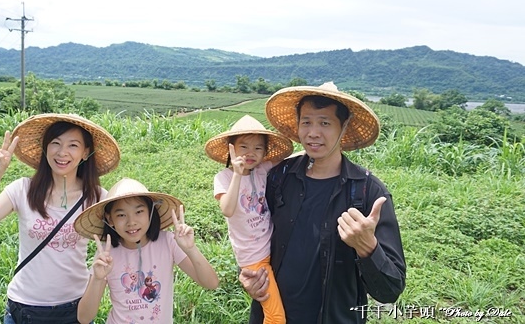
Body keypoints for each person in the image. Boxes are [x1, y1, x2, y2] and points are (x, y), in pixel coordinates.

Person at [239, 82, 406, 324]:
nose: (313, 132)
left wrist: (367, 247)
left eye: (325, 123)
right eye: (306, 122)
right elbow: (252, 232)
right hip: (272, 315)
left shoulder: (368, 192)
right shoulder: (278, 177)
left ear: (344, 127)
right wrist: (247, 275)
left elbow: (390, 290)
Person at [0, 113, 121, 324]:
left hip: (74, 307)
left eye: (73, 145)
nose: (62, 152)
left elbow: (119, 244)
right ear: (45, 147)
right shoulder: (22, 190)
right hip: (23, 307)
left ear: (85, 152)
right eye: (55, 143)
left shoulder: (97, 198)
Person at [74, 177, 219, 324]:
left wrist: (191, 249)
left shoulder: (168, 242)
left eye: (139, 211)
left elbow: (211, 283)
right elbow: (84, 318)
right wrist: (98, 279)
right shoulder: (106, 255)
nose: (132, 222)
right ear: (109, 219)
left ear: (150, 212)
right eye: (121, 215)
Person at [205, 115, 293, 324]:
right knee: (276, 317)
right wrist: (237, 174)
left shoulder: (263, 169)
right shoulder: (224, 178)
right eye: (243, 147)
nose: (250, 153)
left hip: (273, 249)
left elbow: (293, 159)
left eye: (258, 148)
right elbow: (227, 209)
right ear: (231, 149)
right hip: (253, 258)